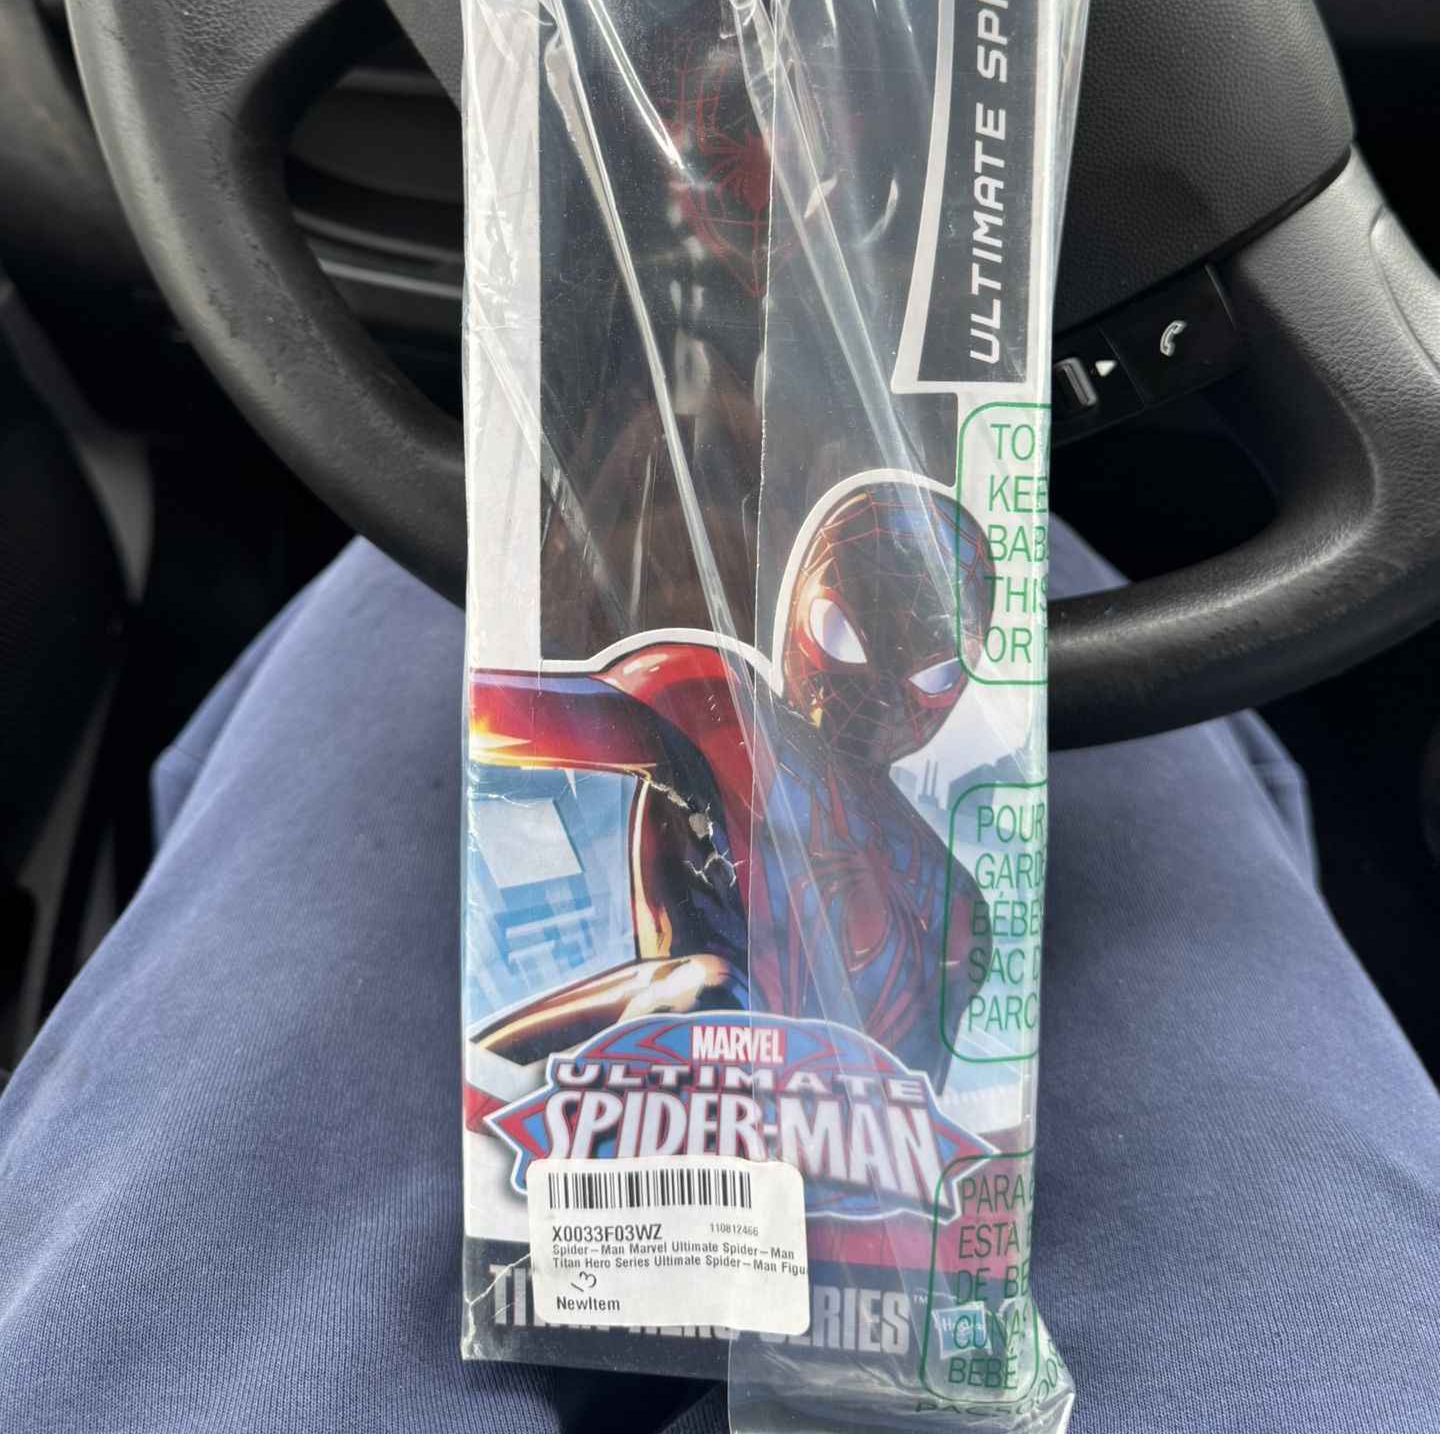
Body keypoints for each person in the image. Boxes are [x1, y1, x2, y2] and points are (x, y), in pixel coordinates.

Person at [1, 523, 1437, 1432]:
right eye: (865, 639)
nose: (882, 685)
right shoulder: (720, 704)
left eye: (923, 665)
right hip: (676, 1122)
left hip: (810, 1165)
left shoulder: (928, 883)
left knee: (396, 589)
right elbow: (548, 714)